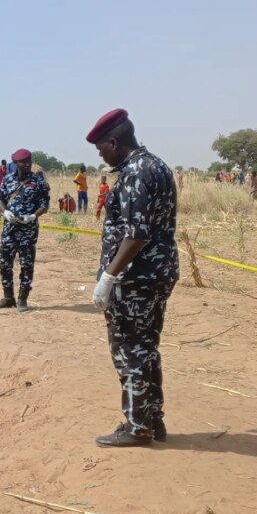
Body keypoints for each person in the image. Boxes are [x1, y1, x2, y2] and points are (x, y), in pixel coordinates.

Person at [87, 108, 178, 448]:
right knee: (147, 347)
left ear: (114, 142)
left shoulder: (136, 173)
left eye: (101, 149)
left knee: (129, 349)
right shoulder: (157, 165)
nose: (101, 156)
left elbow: (136, 234)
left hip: (135, 277)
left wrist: (109, 276)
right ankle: (152, 419)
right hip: (157, 272)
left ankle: (138, 426)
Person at [0, 149, 50, 312]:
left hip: (28, 230)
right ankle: (8, 297)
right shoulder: (7, 179)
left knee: (26, 264)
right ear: (16, 163)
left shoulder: (38, 182)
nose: (27, 164)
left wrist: (33, 216)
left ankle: (22, 299)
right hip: (9, 229)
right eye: (23, 162)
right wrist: (5, 212)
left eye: (29, 162)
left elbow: (44, 204)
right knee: (4, 263)